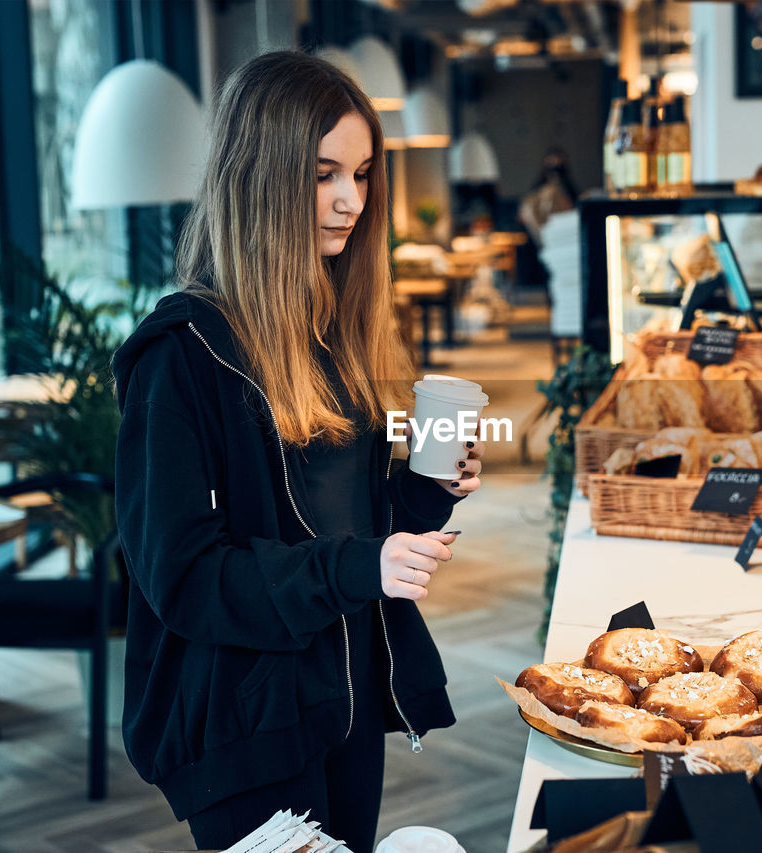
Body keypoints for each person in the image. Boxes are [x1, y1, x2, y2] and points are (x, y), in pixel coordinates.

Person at [111, 50, 482, 852]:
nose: (351, 200)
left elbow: (346, 521)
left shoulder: (327, 336)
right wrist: (360, 568)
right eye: (323, 175)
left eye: (361, 173)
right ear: (260, 176)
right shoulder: (180, 356)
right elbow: (184, 578)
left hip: (341, 691)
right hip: (247, 719)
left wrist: (429, 487)